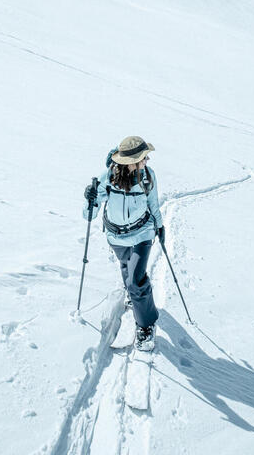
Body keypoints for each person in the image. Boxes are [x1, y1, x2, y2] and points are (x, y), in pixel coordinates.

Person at [83, 135, 164, 350]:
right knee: (127, 268)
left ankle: (146, 326)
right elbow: (90, 213)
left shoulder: (148, 176)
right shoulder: (108, 177)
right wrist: (89, 200)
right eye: (144, 157)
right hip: (116, 235)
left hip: (142, 233)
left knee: (136, 278)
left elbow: (153, 204)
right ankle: (136, 296)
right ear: (131, 161)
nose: (147, 161)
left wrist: (160, 226)